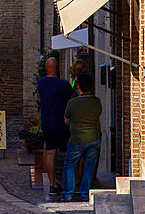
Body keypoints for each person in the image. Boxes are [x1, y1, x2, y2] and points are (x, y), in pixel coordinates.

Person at [61, 71, 102, 202]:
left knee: (69, 165)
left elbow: (66, 120)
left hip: (77, 139)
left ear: (78, 86)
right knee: (89, 166)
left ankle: (68, 193)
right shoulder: (96, 101)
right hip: (94, 138)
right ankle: (85, 194)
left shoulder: (72, 103)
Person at [36, 56, 74, 194]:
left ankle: (52, 184)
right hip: (62, 123)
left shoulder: (41, 83)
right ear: (57, 68)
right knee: (65, 154)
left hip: (47, 123)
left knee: (50, 153)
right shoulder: (63, 84)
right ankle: (67, 183)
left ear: (46, 68)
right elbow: (73, 97)